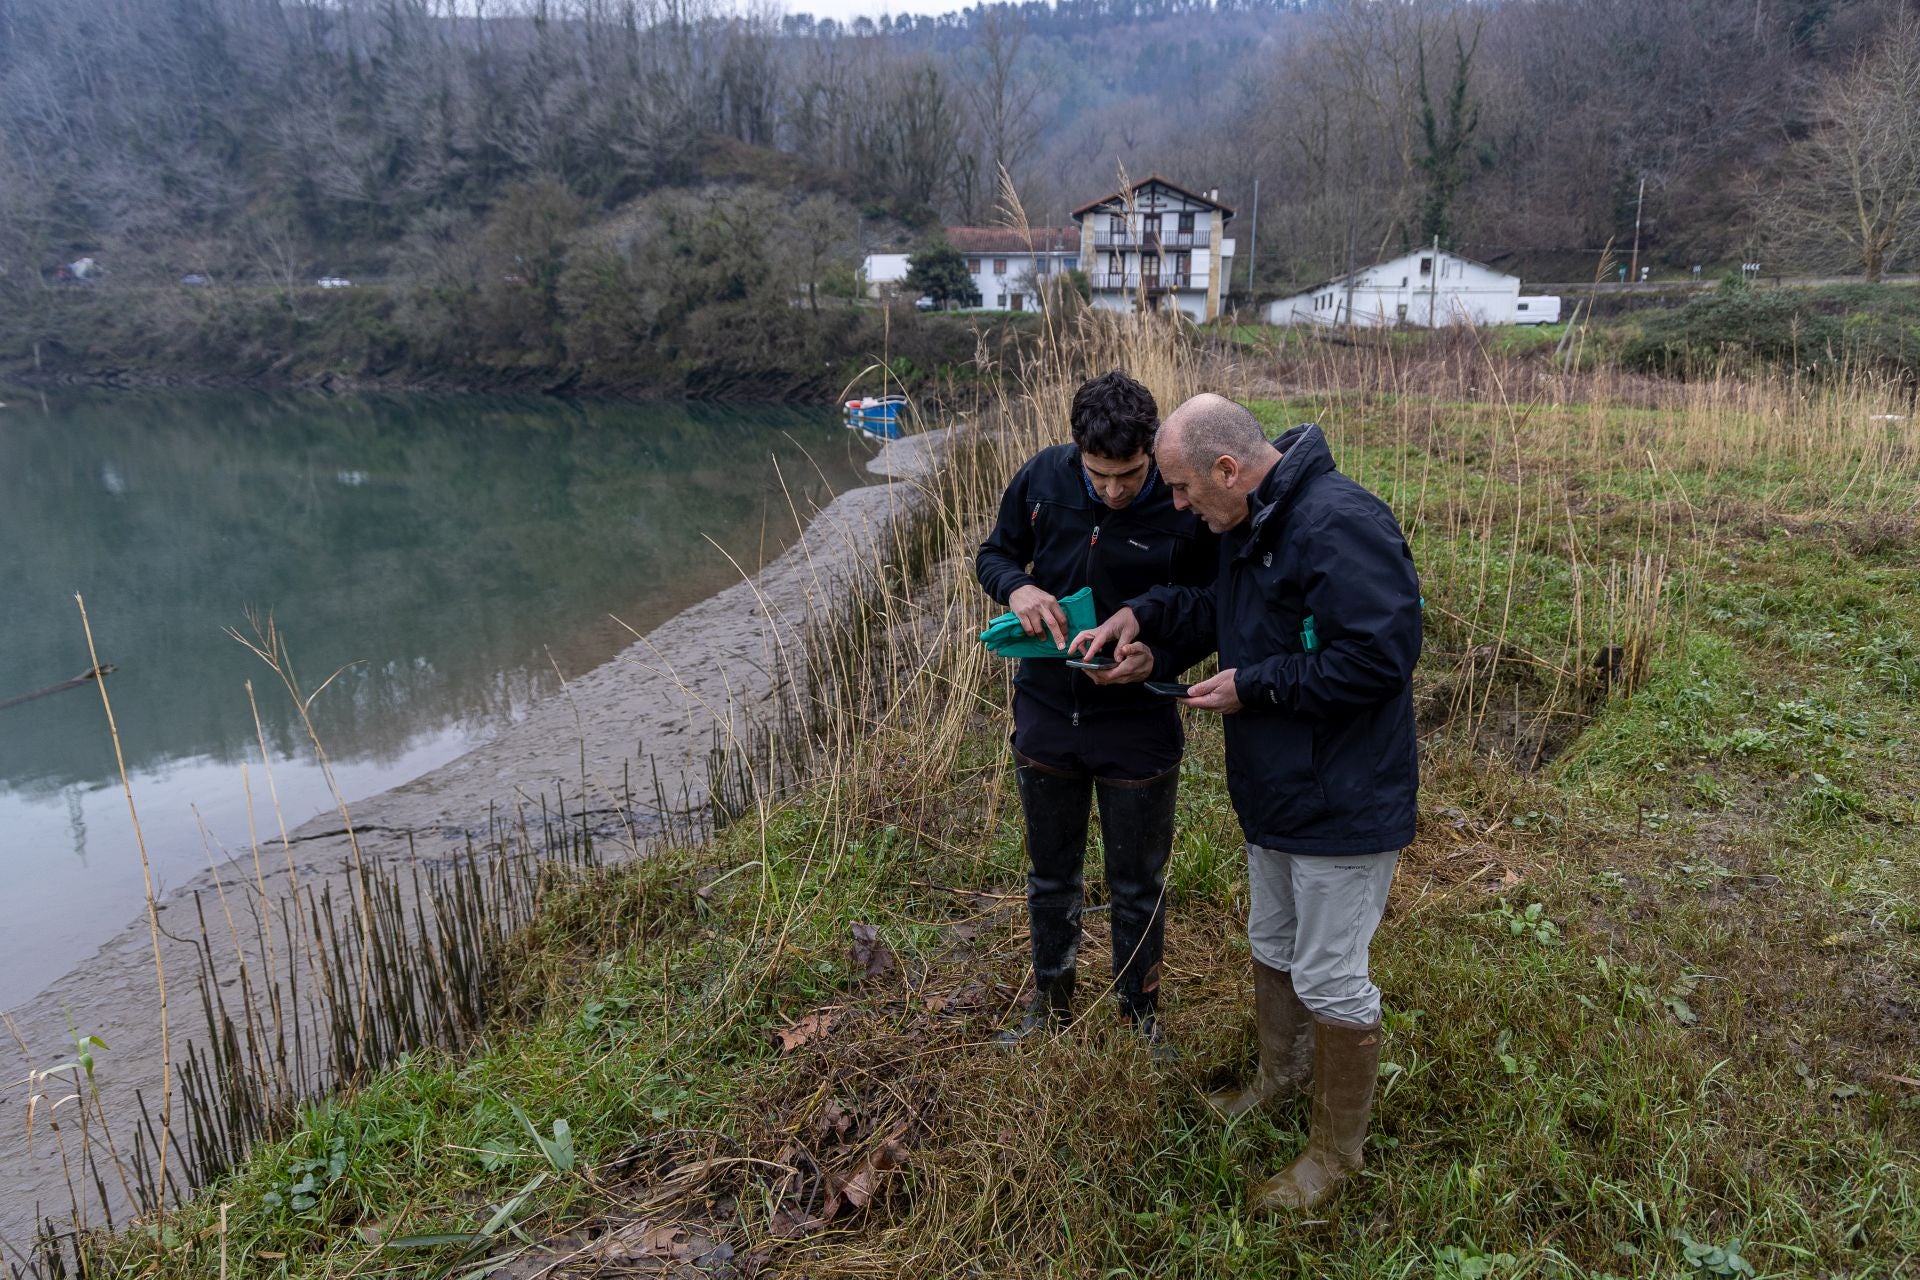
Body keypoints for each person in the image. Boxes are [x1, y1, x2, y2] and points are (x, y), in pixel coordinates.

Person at [1070, 394, 1422, 1211]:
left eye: (1185, 490)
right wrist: (1142, 623)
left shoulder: (1339, 523)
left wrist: (1254, 685)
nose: (1179, 508)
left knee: (1332, 977)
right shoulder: (1248, 522)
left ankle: (1336, 1156)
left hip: (1345, 800)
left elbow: (1379, 659)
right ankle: (1281, 1075)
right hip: (1275, 792)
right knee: (1273, 939)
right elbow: (1211, 610)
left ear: (1228, 469)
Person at [975, 371, 1217, 1050]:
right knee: (1051, 874)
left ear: (1154, 455)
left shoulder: (1182, 503)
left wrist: (1160, 661)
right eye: (1098, 475)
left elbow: (1216, 604)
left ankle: (1140, 1018)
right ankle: (1048, 1009)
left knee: (1137, 881)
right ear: (1075, 451)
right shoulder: (1041, 480)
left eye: (1130, 476)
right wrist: (1017, 587)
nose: (1113, 491)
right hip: (1048, 711)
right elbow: (992, 554)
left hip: (1139, 722)